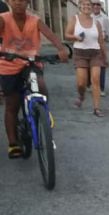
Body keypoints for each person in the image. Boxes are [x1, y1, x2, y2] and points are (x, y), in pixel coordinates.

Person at [0, 0, 68, 158]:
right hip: (9, 65)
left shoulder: (35, 20)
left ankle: (44, 112)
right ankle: (13, 143)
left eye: (23, 0)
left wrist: (61, 49)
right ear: (9, 2)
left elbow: (51, 35)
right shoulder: (3, 18)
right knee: (12, 104)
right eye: (15, 0)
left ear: (27, 2)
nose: (18, 3)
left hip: (31, 63)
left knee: (41, 85)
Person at [65, 0, 108, 117]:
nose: (86, 7)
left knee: (95, 80)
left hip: (95, 53)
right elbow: (66, 35)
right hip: (80, 53)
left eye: (89, 5)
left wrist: (105, 57)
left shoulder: (97, 23)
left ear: (92, 7)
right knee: (81, 83)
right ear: (80, 6)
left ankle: (96, 108)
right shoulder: (75, 19)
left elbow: (101, 41)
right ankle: (81, 95)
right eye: (84, 5)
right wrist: (75, 37)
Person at [91, 0, 109, 96]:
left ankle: (101, 88)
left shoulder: (105, 18)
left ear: (100, 6)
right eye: (93, 4)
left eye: (97, 4)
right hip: (88, 44)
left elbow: (106, 34)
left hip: (100, 44)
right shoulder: (87, 17)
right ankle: (90, 84)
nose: (95, 6)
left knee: (102, 66)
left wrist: (102, 44)